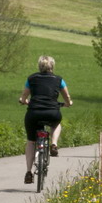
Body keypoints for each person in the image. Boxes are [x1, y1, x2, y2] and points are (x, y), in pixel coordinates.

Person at [19, 55, 72, 185]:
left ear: (39, 66)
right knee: (56, 124)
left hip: (34, 113)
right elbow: (66, 96)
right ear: (52, 66)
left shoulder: (31, 79)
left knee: (31, 142)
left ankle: (28, 172)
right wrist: (68, 103)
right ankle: (54, 144)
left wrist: (23, 101)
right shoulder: (59, 80)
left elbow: (24, 96)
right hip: (52, 112)